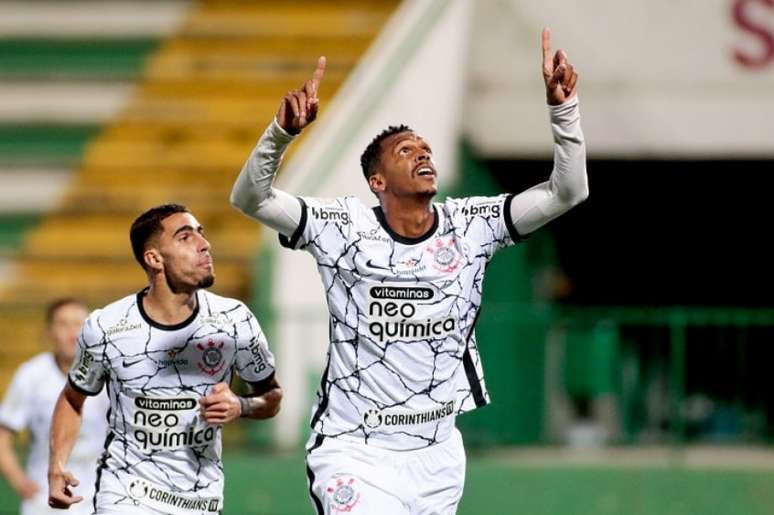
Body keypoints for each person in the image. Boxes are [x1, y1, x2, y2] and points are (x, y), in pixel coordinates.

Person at [231, 28, 587, 514]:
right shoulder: (342, 226)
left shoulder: (473, 224)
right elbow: (250, 199)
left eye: (425, 149)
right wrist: (281, 135)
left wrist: (563, 111)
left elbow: (567, 192)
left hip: (438, 455)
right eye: (405, 150)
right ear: (377, 181)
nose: (423, 153)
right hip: (354, 447)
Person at [47, 204, 282, 514]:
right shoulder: (107, 326)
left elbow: (272, 396)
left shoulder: (234, 321)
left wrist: (242, 405)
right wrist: (57, 465)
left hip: (200, 498)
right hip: (126, 493)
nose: (204, 243)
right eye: (185, 237)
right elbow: (72, 398)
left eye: (201, 233)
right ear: (154, 258)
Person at [0, 298, 109, 515]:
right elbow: (3, 434)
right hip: (44, 501)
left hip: (100, 498)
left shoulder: (109, 374)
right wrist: (20, 482)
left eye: (79, 323)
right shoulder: (31, 374)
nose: (72, 332)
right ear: (50, 331)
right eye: (63, 324)